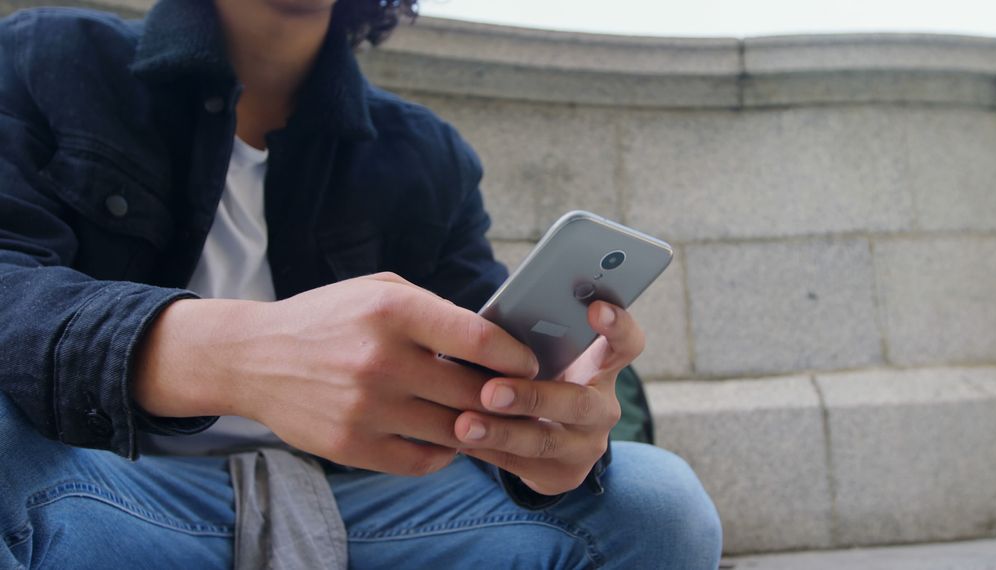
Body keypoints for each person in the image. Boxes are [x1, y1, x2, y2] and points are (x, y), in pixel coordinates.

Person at [0, 0, 722, 567]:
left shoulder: (428, 154)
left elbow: (491, 366)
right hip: (99, 494)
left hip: (375, 510)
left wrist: (547, 443)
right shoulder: (49, 57)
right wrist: (233, 357)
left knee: (657, 503)